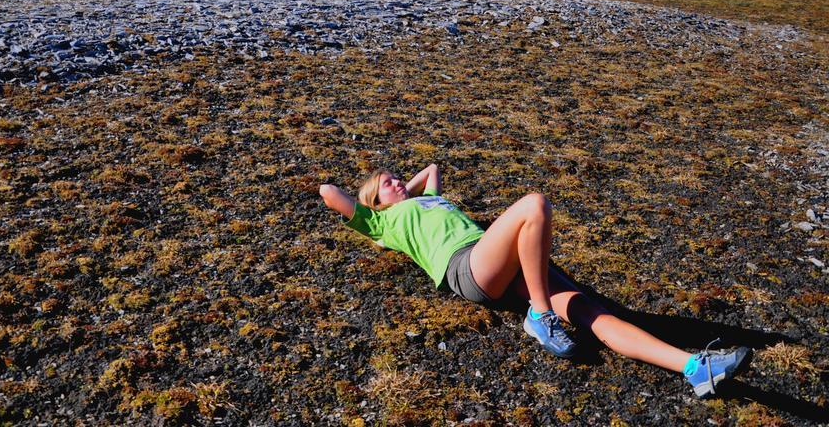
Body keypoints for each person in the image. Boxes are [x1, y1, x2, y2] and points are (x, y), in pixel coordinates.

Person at [319, 164, 752, 398]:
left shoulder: (427, 199)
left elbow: (432, 168)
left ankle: (695, 368)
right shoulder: (383, 224)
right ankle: (540, 316)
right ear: (374, 204)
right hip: (467, 266)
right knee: (533, 205)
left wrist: (407, 189)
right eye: (385, 184)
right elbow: (328, 192)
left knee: (591, 312)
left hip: (505, 260)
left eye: (395, 176)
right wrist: (380, 204)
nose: (395, 182)